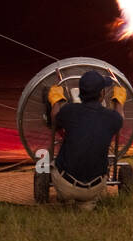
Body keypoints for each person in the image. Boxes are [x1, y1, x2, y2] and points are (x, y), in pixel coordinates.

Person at [47, 70, 123, 211]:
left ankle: (68, 198)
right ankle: (87, 201)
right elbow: (120, 117)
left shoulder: (69, 111)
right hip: (95, 187)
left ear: (79, 93)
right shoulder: (112, 118)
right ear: (102, 94)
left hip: (66, 184)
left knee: (53, 163)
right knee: (87, 202)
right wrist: (118, 101)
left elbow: (54, 118)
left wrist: (56, 100)